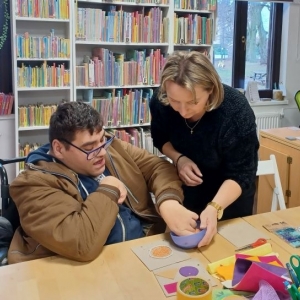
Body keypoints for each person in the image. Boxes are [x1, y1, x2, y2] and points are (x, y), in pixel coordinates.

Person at [8, 102, 199, 264]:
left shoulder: (109, 147)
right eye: (89, 148)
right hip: (82, 271)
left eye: (102, 141)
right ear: (58, 148)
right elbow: (82, 243)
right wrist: (109, 188)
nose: (101, 152)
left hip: (139, 250)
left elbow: (158, 167)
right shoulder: (33, 185)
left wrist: (168, 202)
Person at [150, 51, 259, 248]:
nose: (182, 111)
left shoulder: (235, 112)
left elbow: (242, 173)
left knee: (228, 254)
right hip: (189, 189)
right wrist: (179, 158)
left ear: (210, 90)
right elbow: (160, 138)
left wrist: (215, 207)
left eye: (192, 102)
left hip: (230, 196)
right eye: (175, 101)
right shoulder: (161, 102)